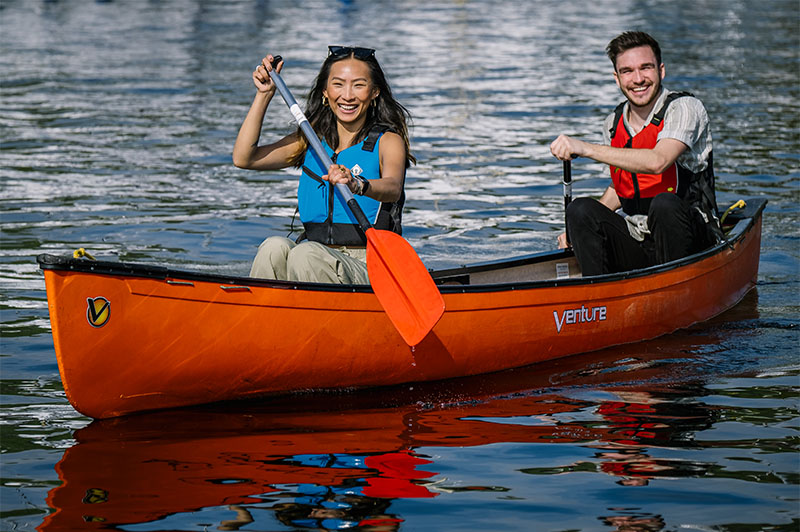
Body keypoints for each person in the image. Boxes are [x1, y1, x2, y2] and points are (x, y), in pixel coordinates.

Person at [233, 46, 414, 283]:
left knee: (306, 254)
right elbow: (244, 158)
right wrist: (264, 95)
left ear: (375, 92)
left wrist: (357, 184)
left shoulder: (388, 140)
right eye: (338, 84)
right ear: (325, 92)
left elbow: (392, 188)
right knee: (273, 247)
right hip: (314, 255)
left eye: (358, 85)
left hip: (369, 263)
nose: (347, 95)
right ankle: (262, 316)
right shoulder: (310, 141)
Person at [550, 31, 721, 276]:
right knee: (579, 210)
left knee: (664, 204)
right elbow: (623, 187)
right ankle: (598, 298)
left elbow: (658, 162)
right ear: (617, 78)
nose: (638, 79)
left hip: (690, 236)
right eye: (627, 71)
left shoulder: (684, 108)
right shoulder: (613, 122)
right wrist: (579, 227)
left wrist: (585, 148)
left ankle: (674, 289)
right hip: (639, 235)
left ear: (661, 71)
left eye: (646, 68)